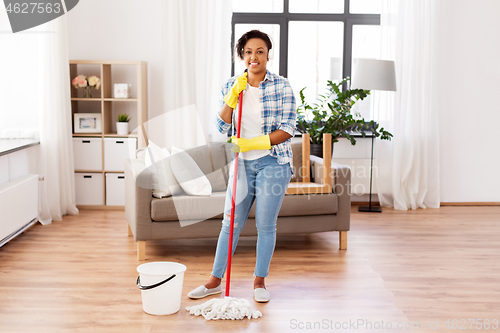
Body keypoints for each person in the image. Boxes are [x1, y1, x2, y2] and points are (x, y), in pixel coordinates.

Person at [187, 30, 297, 303]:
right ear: (242, 56)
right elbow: (222, 126)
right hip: (241, 165)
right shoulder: (232, 85)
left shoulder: (282, 86)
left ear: (268, 55)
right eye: (248, 51)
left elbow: (288, 129)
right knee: (230, 224)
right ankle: (214, 281)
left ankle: (259, 281)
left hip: (274, 161)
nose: (254, 56)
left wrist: (254, 143)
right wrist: (231, 98)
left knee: (266, 225)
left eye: (260, 51)